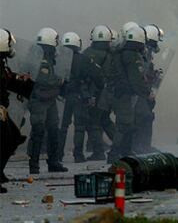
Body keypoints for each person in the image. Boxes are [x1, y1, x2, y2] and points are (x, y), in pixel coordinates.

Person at [107, 26, 152, 163]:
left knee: (128, 123)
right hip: (125, 94)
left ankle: (126, 151)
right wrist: (146, 93)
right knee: (124, 124)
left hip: (118, 92)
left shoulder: (119, 53)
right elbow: (136, 79)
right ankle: (114, 154)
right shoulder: (132, 56)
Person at [58, 32, 104, 162]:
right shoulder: (84, 59)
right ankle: (78, 155)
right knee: (79, 127)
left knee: (62, 127)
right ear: (77, 44)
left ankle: (57, 154)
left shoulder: (59, 59)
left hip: (63, 97)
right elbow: (97, 76)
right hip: (79, 96)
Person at [28, 28, 67, 174]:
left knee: (53, 130)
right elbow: (44, 79)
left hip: (49, 99)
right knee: (38, 131)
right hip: (39, 99)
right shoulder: (42, 59)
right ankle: (34, 164)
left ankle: (53, 162)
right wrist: (60, 81)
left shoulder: (46, 56)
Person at [0, 29, 31, 193]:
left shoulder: (1, 62)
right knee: (5, 140)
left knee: (12, 138)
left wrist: (20, 79)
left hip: (1, 109)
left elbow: (7, 78)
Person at [83, 25, 116, 161]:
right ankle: (123, 146)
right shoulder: (111, 54)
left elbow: (84, 75)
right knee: (105, 120)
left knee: (93, 123)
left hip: (95, 94)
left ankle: (98, 152)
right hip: (108, 93)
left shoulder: (87, 53)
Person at [132, 24, 164, 154]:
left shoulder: (145, 52)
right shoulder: (141, 53)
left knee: (146, 116)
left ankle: (144, 145)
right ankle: (138, 146)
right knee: (143, 116)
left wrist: (154, 75)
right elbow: (140, 72)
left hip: (142, 91)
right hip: (138, 92)